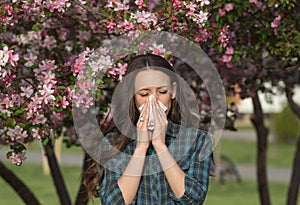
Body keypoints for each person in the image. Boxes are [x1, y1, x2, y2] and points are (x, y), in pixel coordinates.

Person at [84, 54, 212, 205]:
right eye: (144, 94)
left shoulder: (197, 140)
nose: (154, 100)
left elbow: (193, 199)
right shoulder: (113, 143)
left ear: (173, 91)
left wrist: (160, 146)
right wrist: (141, 147)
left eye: (162, 92)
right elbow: (114, 202)